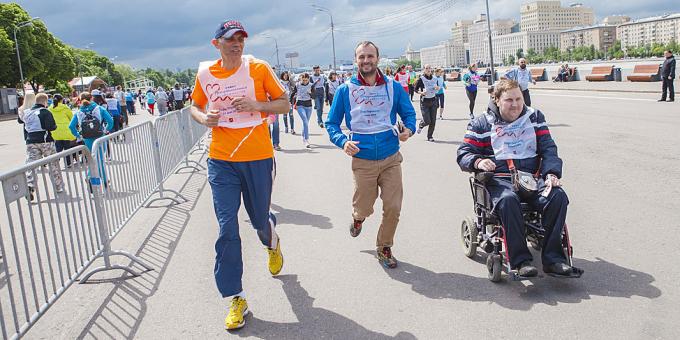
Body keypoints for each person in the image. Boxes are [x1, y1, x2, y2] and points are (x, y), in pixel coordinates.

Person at [188, 20, 289, 330]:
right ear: (216, 43)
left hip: (257, 157)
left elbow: (284, 103)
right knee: (226, 226)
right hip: (221, 160)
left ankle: (271, 239)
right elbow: (195, 105)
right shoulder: (206, 73)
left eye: (241, 38)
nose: (237, 43)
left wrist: (256, 104)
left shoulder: (258, 68)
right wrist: (205, 117)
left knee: (258, 220)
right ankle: (236, 297)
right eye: (230, 39)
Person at [457, 79, 574, 277]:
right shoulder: (481, 123)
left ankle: (554, 259)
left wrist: (551, 173)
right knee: (508, 200)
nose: (516, 104)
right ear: (497, 99)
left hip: (532, 180)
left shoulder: (534, 117)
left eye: (519, 99)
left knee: (558, 196)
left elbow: (549, 149)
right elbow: (464, 153)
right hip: (499, 181)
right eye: (509, 100)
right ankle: (521, 261)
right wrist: (478, 162)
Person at [325, 41, 417, 269]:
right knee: (365, 206)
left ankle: (384, 246)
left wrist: (408, 130)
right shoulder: (345, 90)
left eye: (370, 56)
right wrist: (342, 141)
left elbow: (409, 114)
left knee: (393, 206)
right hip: (362, 159)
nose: (366, 61)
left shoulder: (394, 87)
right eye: (361, 57)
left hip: (390, 157)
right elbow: (332, 123)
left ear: (377, 57)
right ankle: (358, 217)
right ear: (356, 60)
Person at [18, 93, 64, 199]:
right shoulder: (45, 112)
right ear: (45, 102)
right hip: (45, 141)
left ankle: (30, 185)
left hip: (31, 141)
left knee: (31, 165)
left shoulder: (26, 112)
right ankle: (58, 186)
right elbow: (51, 126)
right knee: (53, 164)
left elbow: (21, 121)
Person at [49, 94, 77, 168]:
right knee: (67, 148)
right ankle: (68, 163)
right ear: (61, 100)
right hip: (66, 130)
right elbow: (72, 118)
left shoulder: (50, 108)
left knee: (58, 148)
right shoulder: (66, 108)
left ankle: (55, 163)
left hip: (55, 131)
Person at [414, 64, 440, 142]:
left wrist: (437, 88)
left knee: (433, 120)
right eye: (426, 68)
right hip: (424, 102)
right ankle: (421, 124)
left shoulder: (435, 78)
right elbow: (415, 89)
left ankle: (430, 136)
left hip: (433, 101)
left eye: (429, 68)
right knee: (427, 120)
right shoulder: (421, 79)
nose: (428, 69)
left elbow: (437, 88)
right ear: (424, 70)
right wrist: (421, 92)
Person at [291, 73, 313, 148]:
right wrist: (290, 103)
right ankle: (306, 139)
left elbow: (314, 96)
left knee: (306, 123)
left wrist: (311, 93)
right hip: (300, 105)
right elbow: (293, 94)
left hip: (309, 106)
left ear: (308, 79)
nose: (305, 82)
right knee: (305, 121)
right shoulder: (297, 85)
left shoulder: (311, 85)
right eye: (303, 80)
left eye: (306, 80)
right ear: (301, 79)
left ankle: (303, 137)